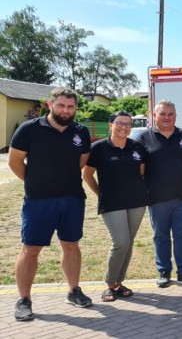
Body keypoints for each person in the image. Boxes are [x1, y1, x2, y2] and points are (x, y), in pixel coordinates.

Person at [8, 87, 93, 321]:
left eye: (71, 106)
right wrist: (36, 180)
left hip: (72, 199)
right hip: (38, 200)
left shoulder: (81, 132)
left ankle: (73, 291)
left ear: (75, 108)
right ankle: (24, 299)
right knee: (31, 249)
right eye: (61, 105)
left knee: (71, 245)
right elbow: (14, 162)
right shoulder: (29, 129)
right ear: (50, 105)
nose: (66, 111)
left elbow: (82, 161)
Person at [135, 100, 182, 288]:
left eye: (171, 114)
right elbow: (137, 168)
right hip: (156, 198)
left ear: (176, 116)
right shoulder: (143, 138)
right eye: (162, 114)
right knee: (161, 236)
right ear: (154, 115)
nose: (167, 117)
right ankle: (164, 270)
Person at [82, 111, 148, 301]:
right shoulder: (99, 148)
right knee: (121, 242)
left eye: (128, 124)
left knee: (129, 243)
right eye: (120, 123)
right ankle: (110, 284)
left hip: (136, 201)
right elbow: (87, 175)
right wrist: (101, 194)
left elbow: (141, 172)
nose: (124, 127)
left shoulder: (137, 147)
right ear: (111, 124)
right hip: (112, 202)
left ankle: (119, 283)